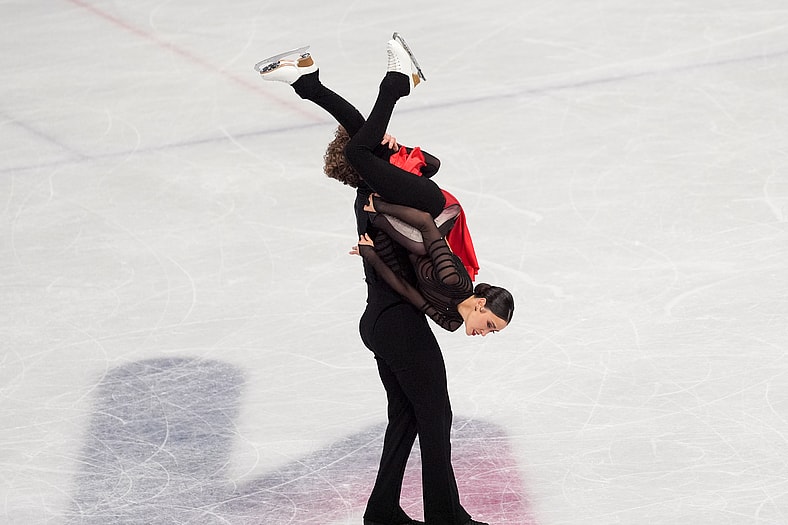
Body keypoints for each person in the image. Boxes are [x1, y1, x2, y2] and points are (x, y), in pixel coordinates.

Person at [257, 34, 495, 525]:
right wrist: (384, 200)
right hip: (406, 284)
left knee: (408, 418)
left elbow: (361, 135)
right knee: (434, 418)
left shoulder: (367, 196)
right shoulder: (376, 195)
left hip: (386, 318)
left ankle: (383, 511)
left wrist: (315, 90)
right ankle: (394, 82)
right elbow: (378, 160)